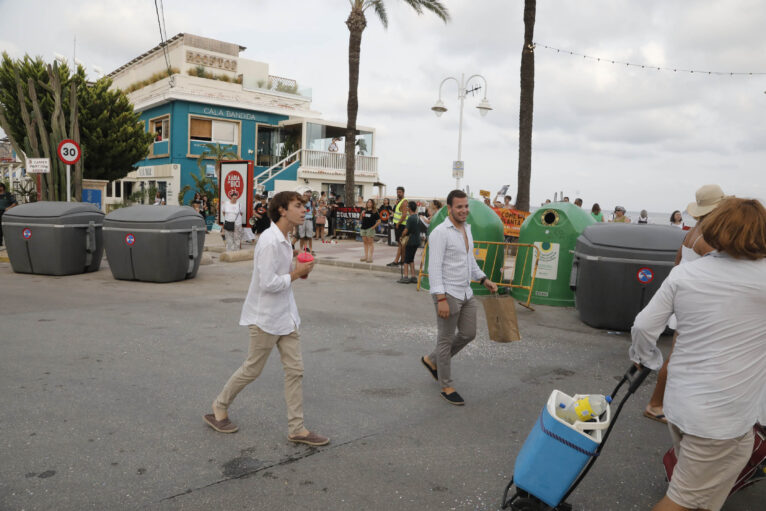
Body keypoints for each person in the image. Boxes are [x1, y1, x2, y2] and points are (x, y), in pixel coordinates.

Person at [630, 197, 766, 511]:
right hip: (722, 417)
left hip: (680, 406)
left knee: (703, 491)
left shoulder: (684, 275)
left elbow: (643, 326)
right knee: (682, 500)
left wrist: (645, 358)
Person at [204, 191, 329, 446]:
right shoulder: (270, 240)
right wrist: (297, 273)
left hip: (287, 316)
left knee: (295, 371)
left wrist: (296, 261)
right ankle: (219, 406)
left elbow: (278, 271)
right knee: (253, 369)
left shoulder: (285, 238)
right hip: (266, 317)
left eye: (303, 206)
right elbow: (268, 282)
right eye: (297, 206)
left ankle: (297, 428)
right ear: (282, 210)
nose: (304, 210)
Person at [644, 185, 724, 424]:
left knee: (681, 355)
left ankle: (664, 402)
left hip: (684, 300)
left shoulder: (694, 232)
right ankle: (655, 403)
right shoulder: (709, 237)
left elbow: (677, 264)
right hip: (696, 304)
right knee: (678, 356)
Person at [420, 190, 498, 405]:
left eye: (466, 206)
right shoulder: (440, 233)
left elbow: (469, 261)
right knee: (445, 339)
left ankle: (432, 360)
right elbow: (433, 268)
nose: (464, 210)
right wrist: (441, 298)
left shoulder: (466, 230)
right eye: (459, 207)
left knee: (468, 333)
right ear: (449, 208)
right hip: (448, 293)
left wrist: (483, 279)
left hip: (466, 292)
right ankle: (446, 385)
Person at [398, 201, 421, 284]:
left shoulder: (410, 218)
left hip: (410, 241)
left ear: (410, 208)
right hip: (417, 240)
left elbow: (406, 230)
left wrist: (401, 236)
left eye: (407, 207)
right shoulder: (417, 217)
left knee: (406, 259)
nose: (406, 208)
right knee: (411, 259)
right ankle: (413, 276)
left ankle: (406, 276)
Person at [387, 187, 408, 267]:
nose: (398, 193)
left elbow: (404, 215)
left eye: (400, 192)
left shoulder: (404, 202)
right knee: (401, 244)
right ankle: (401, 261)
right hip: (399, 225)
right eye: (397, 192)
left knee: (401, 244)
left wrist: (398, 224)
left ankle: (398, 261)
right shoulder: (399, 202)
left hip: (401, 225)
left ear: (403, 192)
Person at [359, 199, 380, 263]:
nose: (368, 203)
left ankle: (370, 257)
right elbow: (361, 219)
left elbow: (379, 221)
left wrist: (373, 227)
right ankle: (366, 256)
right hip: (363, 228)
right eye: (368, 202)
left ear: (372, 204)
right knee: (365, 242)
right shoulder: (364, 211)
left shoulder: (375, 211)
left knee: (370, 243)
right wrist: (361, 214)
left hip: (370, 229)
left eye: (370, 202)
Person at [0, 182, 18, 246]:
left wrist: (9, 208)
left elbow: (15, 202)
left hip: (5, 213)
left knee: (6, 227)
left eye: (0, 187)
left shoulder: (7, 194)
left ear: (3, 187)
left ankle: (10, 242)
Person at [298, 190, 315, 255]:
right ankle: (301, 249)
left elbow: (314, 212)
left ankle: (310, 249)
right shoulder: (301, 202)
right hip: (302, 219)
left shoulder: (311, 202)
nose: (308, 196)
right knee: (302, 236)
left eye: (309, 195)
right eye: (306, 195)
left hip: (309, 219)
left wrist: (313, 206)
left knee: (309, 235)